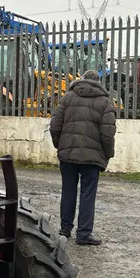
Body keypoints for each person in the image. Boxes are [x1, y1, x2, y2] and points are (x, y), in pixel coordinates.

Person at [49, 68, 116, 246]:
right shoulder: (105, 102)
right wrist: (107, 154)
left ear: (82, 79)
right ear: (98, 82)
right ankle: (84, 234)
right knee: (88, 194)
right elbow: (107, 134)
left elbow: (55, 126)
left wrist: (61, 145)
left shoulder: (67, 98)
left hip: (68, 156)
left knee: (68, 190)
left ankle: (65, 229)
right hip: (92, 158)